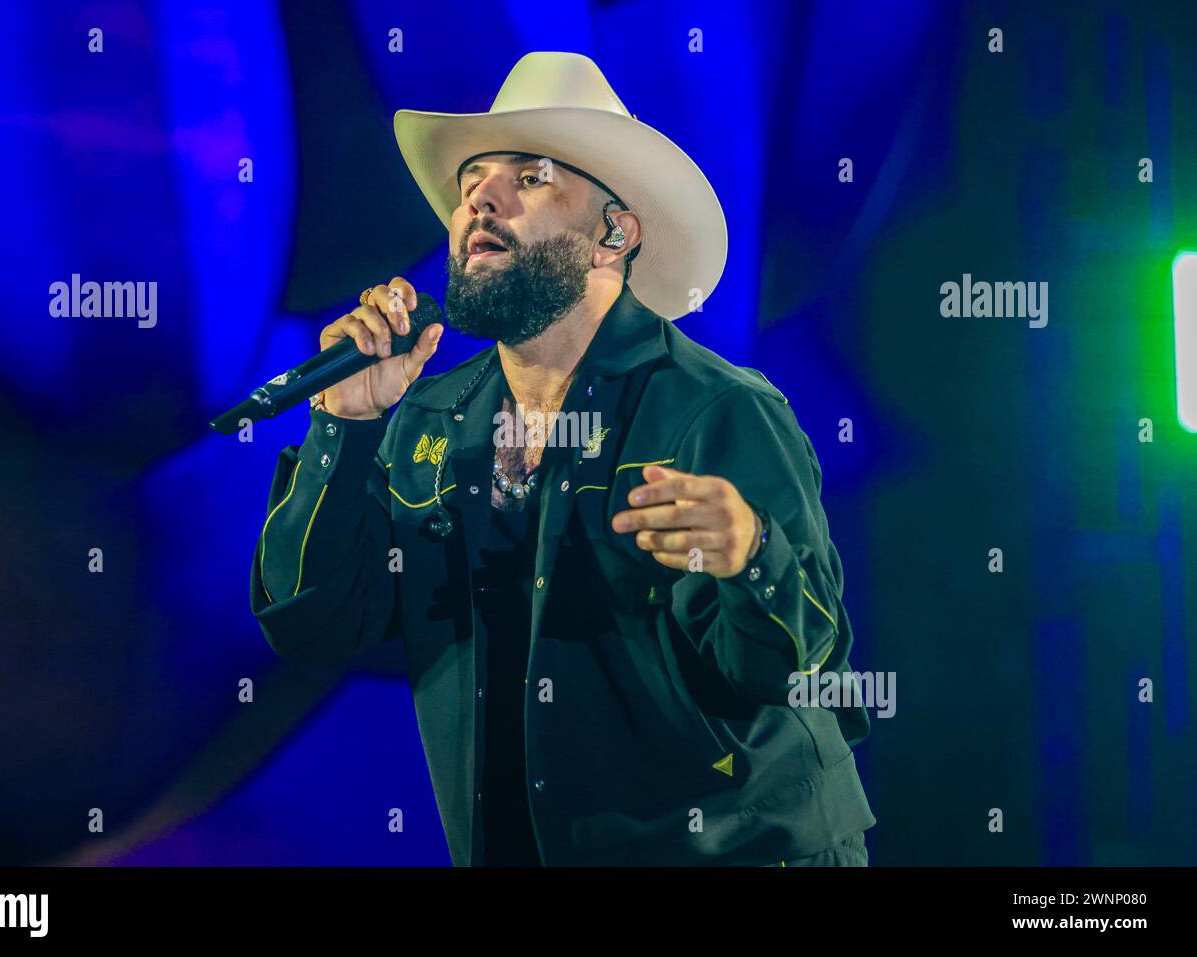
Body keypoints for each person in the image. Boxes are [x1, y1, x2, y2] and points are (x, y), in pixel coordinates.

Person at [252, 52, 874, 866]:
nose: (480, 194)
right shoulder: (432, 419)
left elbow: (796, 674)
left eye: (531, 176)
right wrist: (344, 421)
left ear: (614, 232)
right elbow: (314, 623)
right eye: (473, 177)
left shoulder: (714, 410)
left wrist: (751, 554)